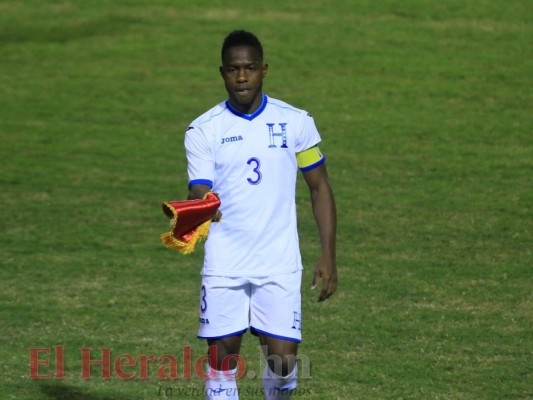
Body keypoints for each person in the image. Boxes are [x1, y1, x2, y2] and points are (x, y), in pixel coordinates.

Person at [183, 30, 337, 400]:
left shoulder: (295, 122)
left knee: (283, 363)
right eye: (233, 69)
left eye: (249, 68)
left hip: (278, 261)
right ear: (222, 72)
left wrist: (328, 255)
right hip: (225, 260)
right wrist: (197, 208)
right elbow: (200, 190)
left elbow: (320, 188)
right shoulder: (204, 130)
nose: (241, 77)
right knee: (222, 358)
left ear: (263, 70)